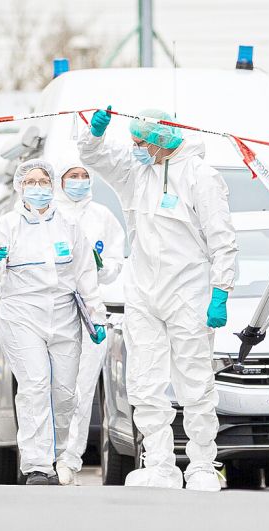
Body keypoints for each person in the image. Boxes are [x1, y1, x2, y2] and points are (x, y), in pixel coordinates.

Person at [78, 107, 237, 492]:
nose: (135, 150)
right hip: (144, 291)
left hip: (189, 290)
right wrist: (94, 133)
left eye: (140, 143)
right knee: (145, 382)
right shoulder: (136, 173)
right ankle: (159, 463)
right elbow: (94, 156)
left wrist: (221, 291)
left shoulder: (201, 176)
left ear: (162, 139)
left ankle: (201, 464)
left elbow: (222, 239)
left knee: (195, 381)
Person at [0, 159, 107, 486]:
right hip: (22, 314)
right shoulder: (8, 225)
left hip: (63, 315)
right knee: (34, 385)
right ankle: (36, 464)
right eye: (31, 181)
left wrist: (96, 313)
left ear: (52, 186)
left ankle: (60, 457)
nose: (38, 187)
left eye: (43, 181)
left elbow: (85, 273)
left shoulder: (69, 224)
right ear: (21, 187)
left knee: (64, 392)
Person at [51, 157, 125, 485]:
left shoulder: (103, 217)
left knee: (82, 390)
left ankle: (70, 459)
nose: (79, 181)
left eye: (84, 175)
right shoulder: (48, 216)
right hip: (52, 311)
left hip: (91, 310)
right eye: (72, 175)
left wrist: (100, 266)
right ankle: (44, 455)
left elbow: (114, 262)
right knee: (52, 387)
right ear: (60, 180)